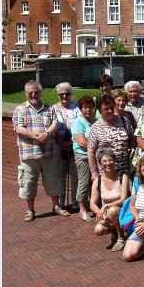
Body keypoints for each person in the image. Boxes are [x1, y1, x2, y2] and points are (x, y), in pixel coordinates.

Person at [14, 80, 68, 222]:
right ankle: (30, 210)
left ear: (40, 92)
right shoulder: (20, 109)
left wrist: (47, 134)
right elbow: (18, 128)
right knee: (29, 183)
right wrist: (36, 136)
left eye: (36, 92)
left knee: (53, 181)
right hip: (29, 154)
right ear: (25, 93)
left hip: (48, 153)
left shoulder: (49, 108)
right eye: (30, 92)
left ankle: (56, 206)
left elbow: (56, 123)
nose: (33, 94)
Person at [90, 148, 130, 251]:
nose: (108, 163)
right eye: (104, 161)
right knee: (98, 230)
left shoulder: (122, 176)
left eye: (110, 160)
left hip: (123, 212)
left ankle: (121, 238)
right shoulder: (97, 181)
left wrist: (106, 206)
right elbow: (92, 204)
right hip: (107, 215)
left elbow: (123, 199)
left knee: (113, 210)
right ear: (100, 163)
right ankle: (114, 233)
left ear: (115, 161)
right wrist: (100, 213)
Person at [87, 94, 135, 179]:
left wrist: (132, 146)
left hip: (124, 170)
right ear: (100, 111)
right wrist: (94, 173)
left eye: (111, 108)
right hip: (106, 172)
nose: (110, 111)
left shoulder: (124, 120)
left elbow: (132, 137)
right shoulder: (95, 127)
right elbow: (91, 151)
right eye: (106, 109)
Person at [53, 82, 79, 212]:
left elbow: (80, 125)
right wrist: (62, 143)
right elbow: (51, 128)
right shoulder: (53, 109)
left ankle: (75, 201)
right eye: (61, 94)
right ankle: (61, 202)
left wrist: (70, 143)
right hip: (58, 146)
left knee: (75, 175)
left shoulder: (76, 108)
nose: (64, 96)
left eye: (67, 94)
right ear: (58, 95)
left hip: (74, 145)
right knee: (60, 175)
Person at [71, 95, 98, 221]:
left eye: (90, 107)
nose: (88, 110)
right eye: (85, 107)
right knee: (84, 182)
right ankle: (82, 209)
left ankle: (96, 207)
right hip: (83, 156)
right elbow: (81, 142)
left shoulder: (95, 120)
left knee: (97, 183)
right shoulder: (78, 122)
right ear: (81, 109)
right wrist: (95, 149)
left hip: (97, 157)